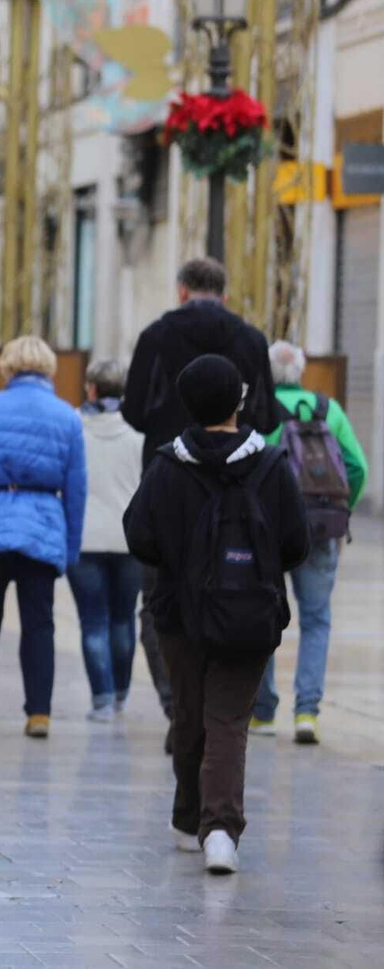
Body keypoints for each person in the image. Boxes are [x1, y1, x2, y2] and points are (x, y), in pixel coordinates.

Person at [124, 354, 309, 875]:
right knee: (228, 720)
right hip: (248, 615)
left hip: (179, 615)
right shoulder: (271, 465)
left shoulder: (167, 465)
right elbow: (297, 542)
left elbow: (139, 535)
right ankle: (221, 830)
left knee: (190, 716)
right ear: (240, 401)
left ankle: (188, 821)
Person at [122, 258, 280, 733]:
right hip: (241, 488)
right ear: (225, 294)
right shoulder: (251, 340)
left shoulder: (156, 336)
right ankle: (226, 705)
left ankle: (178, 703)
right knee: (244, 591)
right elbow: (268, 416)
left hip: (171, 481)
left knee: (157, 602)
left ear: (181, 291)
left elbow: (133, 409)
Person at [0, 336, 87, 739]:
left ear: (7, 366)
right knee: (39, 622)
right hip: (42, 524)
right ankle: (38, 712)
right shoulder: (66, 416)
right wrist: (70, 544)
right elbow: (76, 487)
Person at [250, 341, 370, 745]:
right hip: (320, 528)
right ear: (301, 371)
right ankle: (307, 713)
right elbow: (357, 467)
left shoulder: (261, 413)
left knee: (264, 618)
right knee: (316, 619)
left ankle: (264, 713)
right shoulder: (328, 409)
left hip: (268, 531)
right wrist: (342, 510)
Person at [68, 359, 146, 723]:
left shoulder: (74, 433)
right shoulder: (138, 439)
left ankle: (100, 697)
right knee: (122, 619)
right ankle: (120, 693)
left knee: (93, 622)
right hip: (128, 542)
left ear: (92, 390)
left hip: (84, 540)